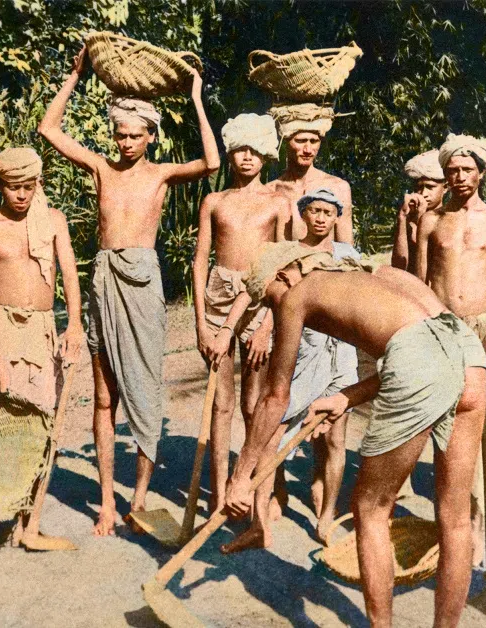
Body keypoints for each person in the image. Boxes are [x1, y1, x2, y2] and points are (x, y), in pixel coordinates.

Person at [224, 241, 486, 627]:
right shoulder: (375, 273)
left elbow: (275, 397)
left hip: (426, 362)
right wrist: (347, 397)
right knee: (456, 517)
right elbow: (433, 344)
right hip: (469, 354)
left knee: (369, 509)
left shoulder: (297, 294)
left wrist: (240, 477)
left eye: (269, 298)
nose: (274, 308)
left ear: (285, 275)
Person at [38, 46, 220, 536]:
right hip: (104, 280)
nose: (126, 143)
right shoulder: (101, 168)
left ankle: (138, 498)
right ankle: (104, 501)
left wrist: (196, 96)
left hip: (142, 283)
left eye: (136, 135)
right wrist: (74, 76)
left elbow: (211, 161)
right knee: (104, 396)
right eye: (120, 134)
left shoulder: (160, 174)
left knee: (143, 390)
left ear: (151, 136)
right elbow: (49, 130)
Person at [224, 188, 360, 552]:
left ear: (337, 217)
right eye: (314, 211)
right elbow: (268, 296)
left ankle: (326, 516)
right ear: (303, 214)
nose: (320, 218)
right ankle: (258, 523)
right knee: (272, 433)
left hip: (342, 350)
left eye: (327, 212)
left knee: (335, 439)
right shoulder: (287, 253)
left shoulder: (348, 256)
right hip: (305, 347)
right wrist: (255, 329)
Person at [0, 146, 84, 551]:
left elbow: (70, 274)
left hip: (43, 329)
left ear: (38, 184)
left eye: (28, 186)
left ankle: (31, 523)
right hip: (3, 329)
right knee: (6, 423)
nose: (21, 195)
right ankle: (2, 518)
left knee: (45, 425)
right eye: (13, 186)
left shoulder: (53, 221)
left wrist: (74, 324)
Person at [416, 133, 486, 566]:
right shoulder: (432, 221)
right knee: (442, 427)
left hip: (479, 329)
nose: (459, 177)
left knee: (477, 430)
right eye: (452, 170)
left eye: (467, 169)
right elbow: (418, 283)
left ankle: (475, 526)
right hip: (439, 329)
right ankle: (449, 528)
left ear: (481, 173)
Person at [192, 113, 287, 515]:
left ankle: (253, 490)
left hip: (261, 301)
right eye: (239, 150)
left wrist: (268, 325)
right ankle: (218, 495)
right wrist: (201, 323)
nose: (247, 157)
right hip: (218, 298)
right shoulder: (215, 201)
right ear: (230, 154)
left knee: (254, 403)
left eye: (254, 150)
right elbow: (200, 260)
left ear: (266, 155)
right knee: (221, 403)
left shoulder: (278, 203)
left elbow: (285, 266)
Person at [266, 103, 353, 243]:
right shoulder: (271, 190)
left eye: (314, 141)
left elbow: (346, 248)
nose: (308, 149)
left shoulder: (338, 187)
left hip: (327, 257)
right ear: (286, 142)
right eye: (300, 141)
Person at [392, 149, 446, 274]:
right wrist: (402, 218)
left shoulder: (447, 218)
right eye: (419, 187)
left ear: (445, 187)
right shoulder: (410, 221)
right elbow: (399, 266)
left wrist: (421, 220)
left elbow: (433, 263)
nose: (423, 193)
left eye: (430, 187)